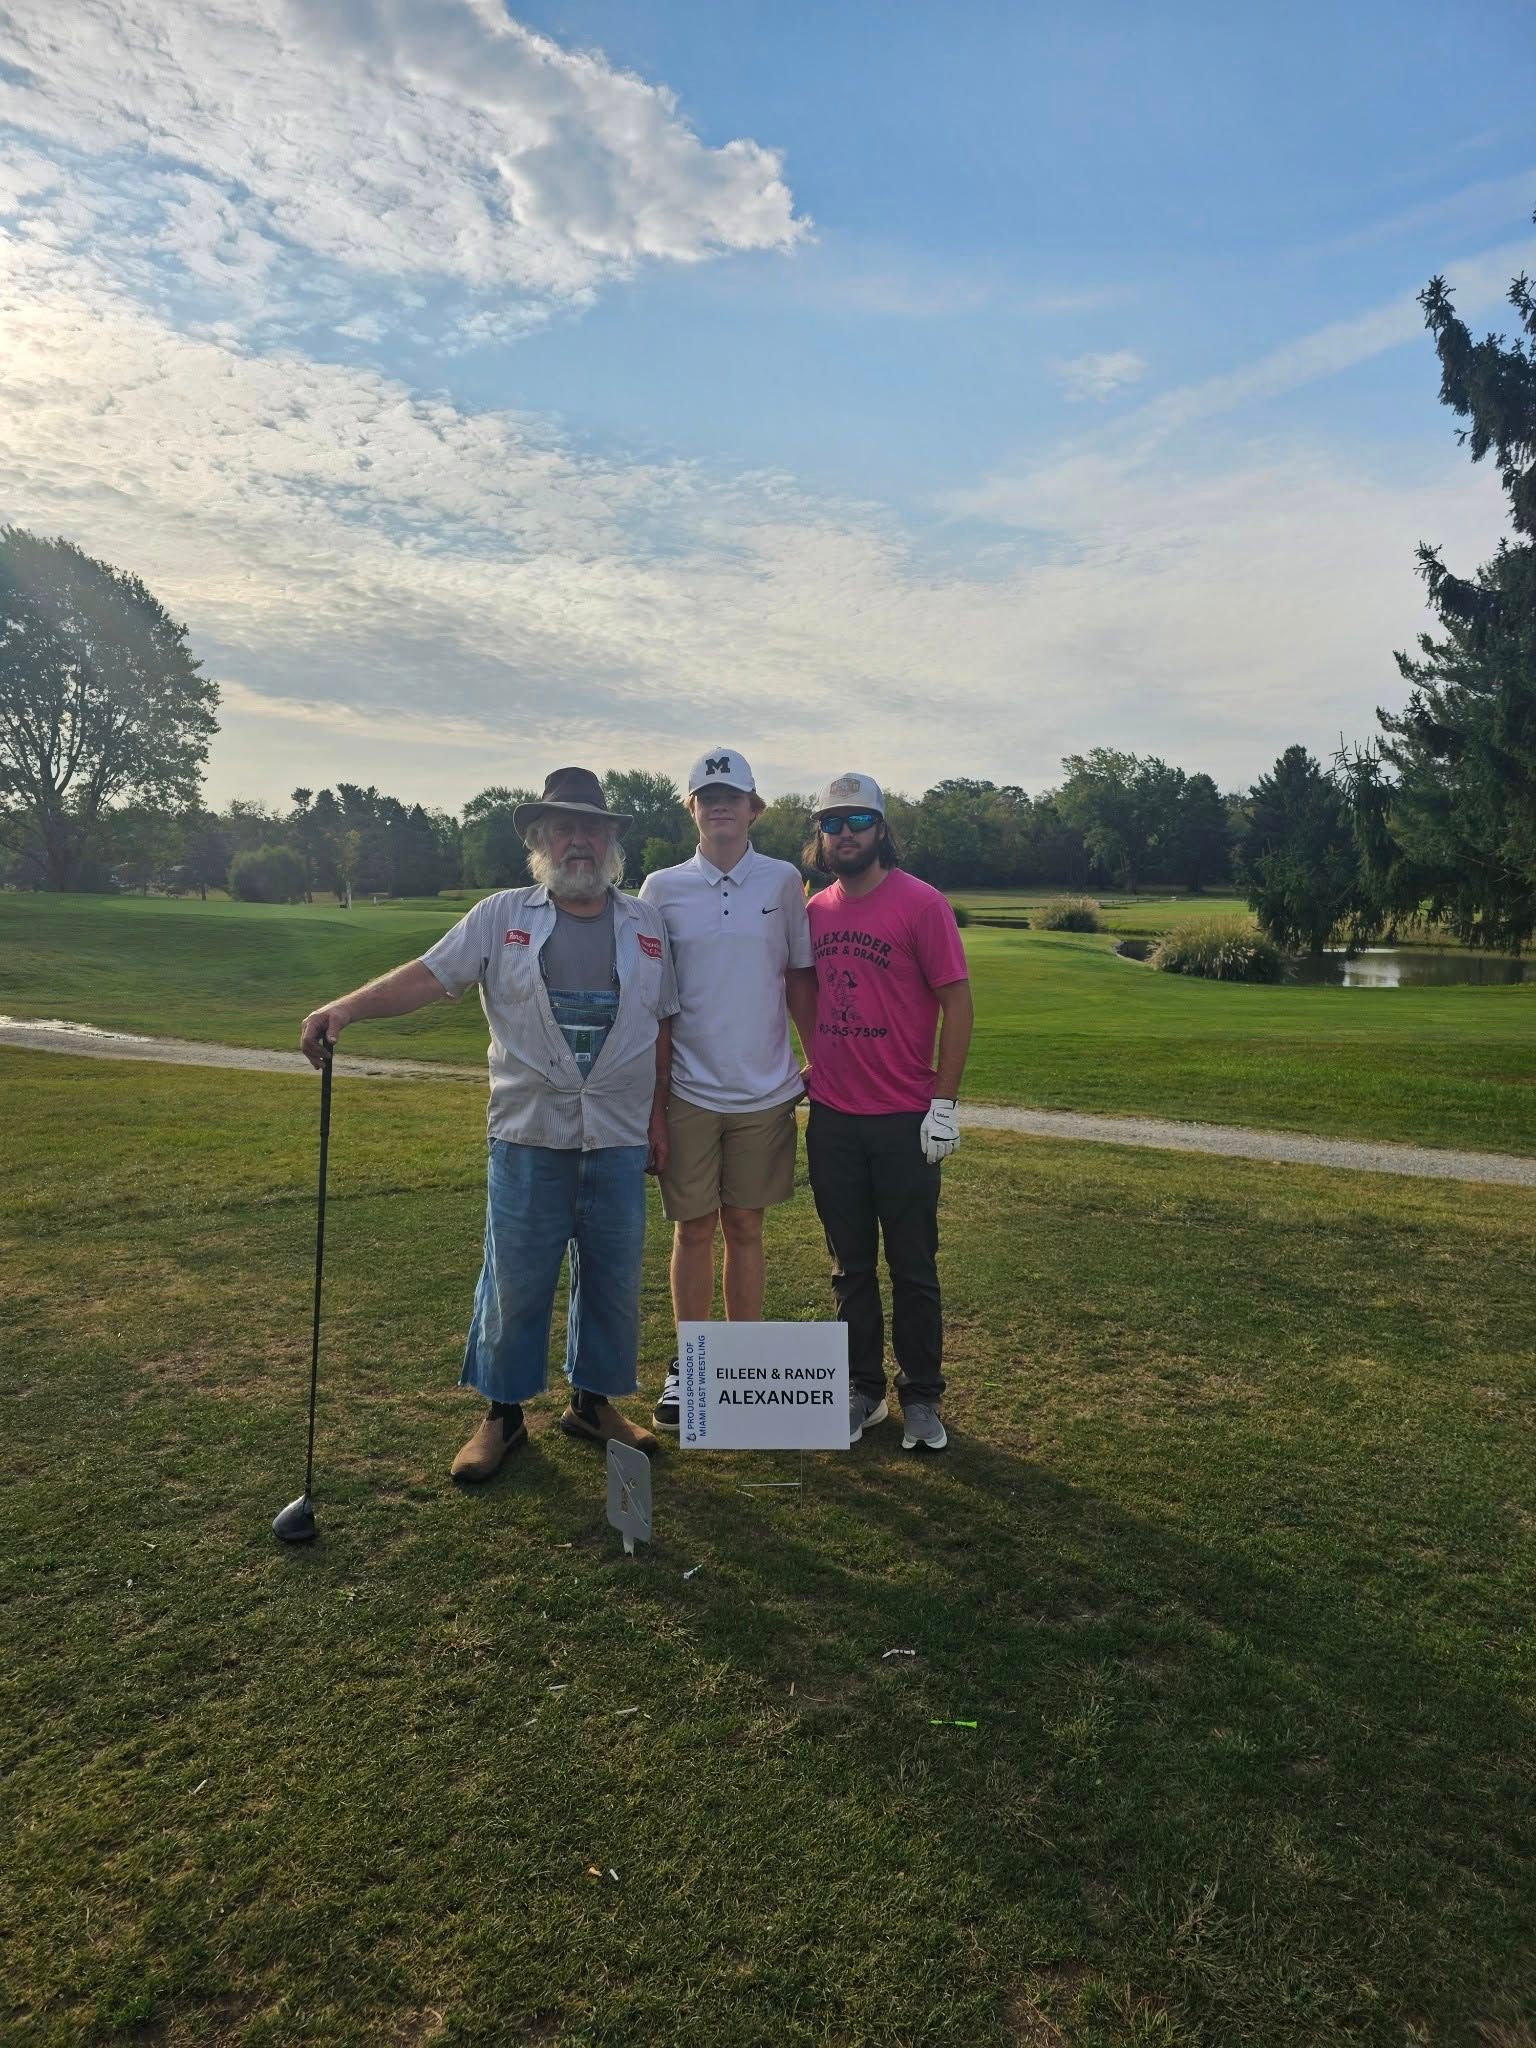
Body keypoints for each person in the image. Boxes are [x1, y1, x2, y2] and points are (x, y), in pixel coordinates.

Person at [299, 766, 676, 1481]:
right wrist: (345, 1006)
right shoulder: (501, 916)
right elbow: (427, 976)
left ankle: (591, 1404)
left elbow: (661, 1026)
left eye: (590, 828)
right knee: (516, 1278)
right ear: (538, 838)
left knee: (612, 1277)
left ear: (611, 841)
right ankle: (502, 1418)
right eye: (562, 828)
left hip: (620, 1135)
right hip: (529, 1131)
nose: (578, 842)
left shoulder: (647, 925)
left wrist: (659, 1116)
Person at [639, 748, 818, 1432]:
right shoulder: (660, 888)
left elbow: (798, 978)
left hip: (765, 1092)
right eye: (706, 795)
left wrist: (817, 1058)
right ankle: (694, 1364)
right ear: (692, 807)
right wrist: (655, 1104)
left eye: (732, 795)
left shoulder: (781, 881)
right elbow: (657, 1002)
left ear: (753, 808)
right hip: (688, 1088)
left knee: (745, 1227)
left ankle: (740, 1369)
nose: (720, 806)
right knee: (694, 1228)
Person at [802, 772, 973, 1453]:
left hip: (904, 1116)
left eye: (859, 821)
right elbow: (805, 992)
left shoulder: (921, 904)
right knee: (849, 1267)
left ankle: (923, 1396)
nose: (846, 834)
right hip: (835, 1118)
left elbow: (957, 1004)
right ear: (822, 835)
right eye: (833, 823)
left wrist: (944, 1103)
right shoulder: (814, 911)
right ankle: (862, 1389)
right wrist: (815, 1056)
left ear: (881, 829)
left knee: (912, 1264)